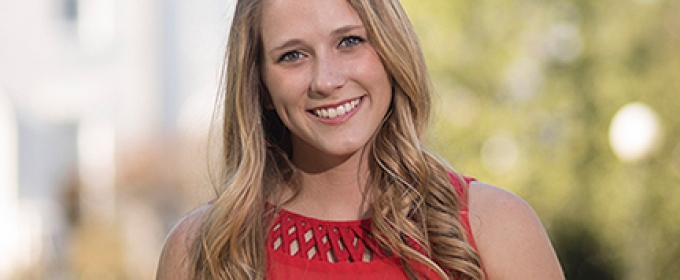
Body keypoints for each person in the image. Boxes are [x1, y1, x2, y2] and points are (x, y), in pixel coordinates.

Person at [157, 0, 564, 279]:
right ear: (260, 85)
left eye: (350, 41)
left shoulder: (496, 228)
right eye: (292, 55)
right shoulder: (201, 250)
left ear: (390, 50)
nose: (327, 80)